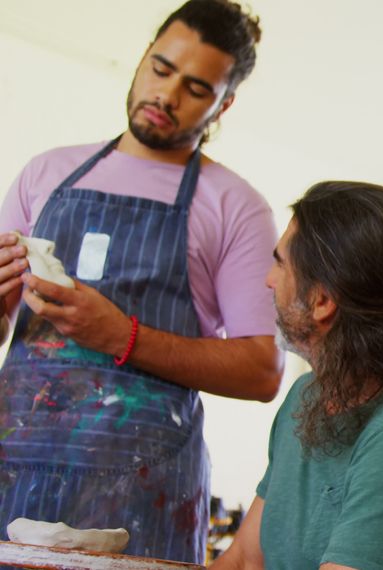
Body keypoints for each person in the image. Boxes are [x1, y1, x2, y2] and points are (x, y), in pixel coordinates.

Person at [0, 0, 281, 563]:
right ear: (142, 60)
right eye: (160, 69)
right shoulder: (45, 173)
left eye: (196, 88)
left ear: (224, 103)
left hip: (146, 491)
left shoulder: (235, 206)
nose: (167, 96)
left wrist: (123, 336)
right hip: (14, 468)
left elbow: (261, 369)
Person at [210, 181, 383, 569]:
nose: (269, 280)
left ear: (322, 301)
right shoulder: (306, 395)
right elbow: (245, 560)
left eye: (280, 263)